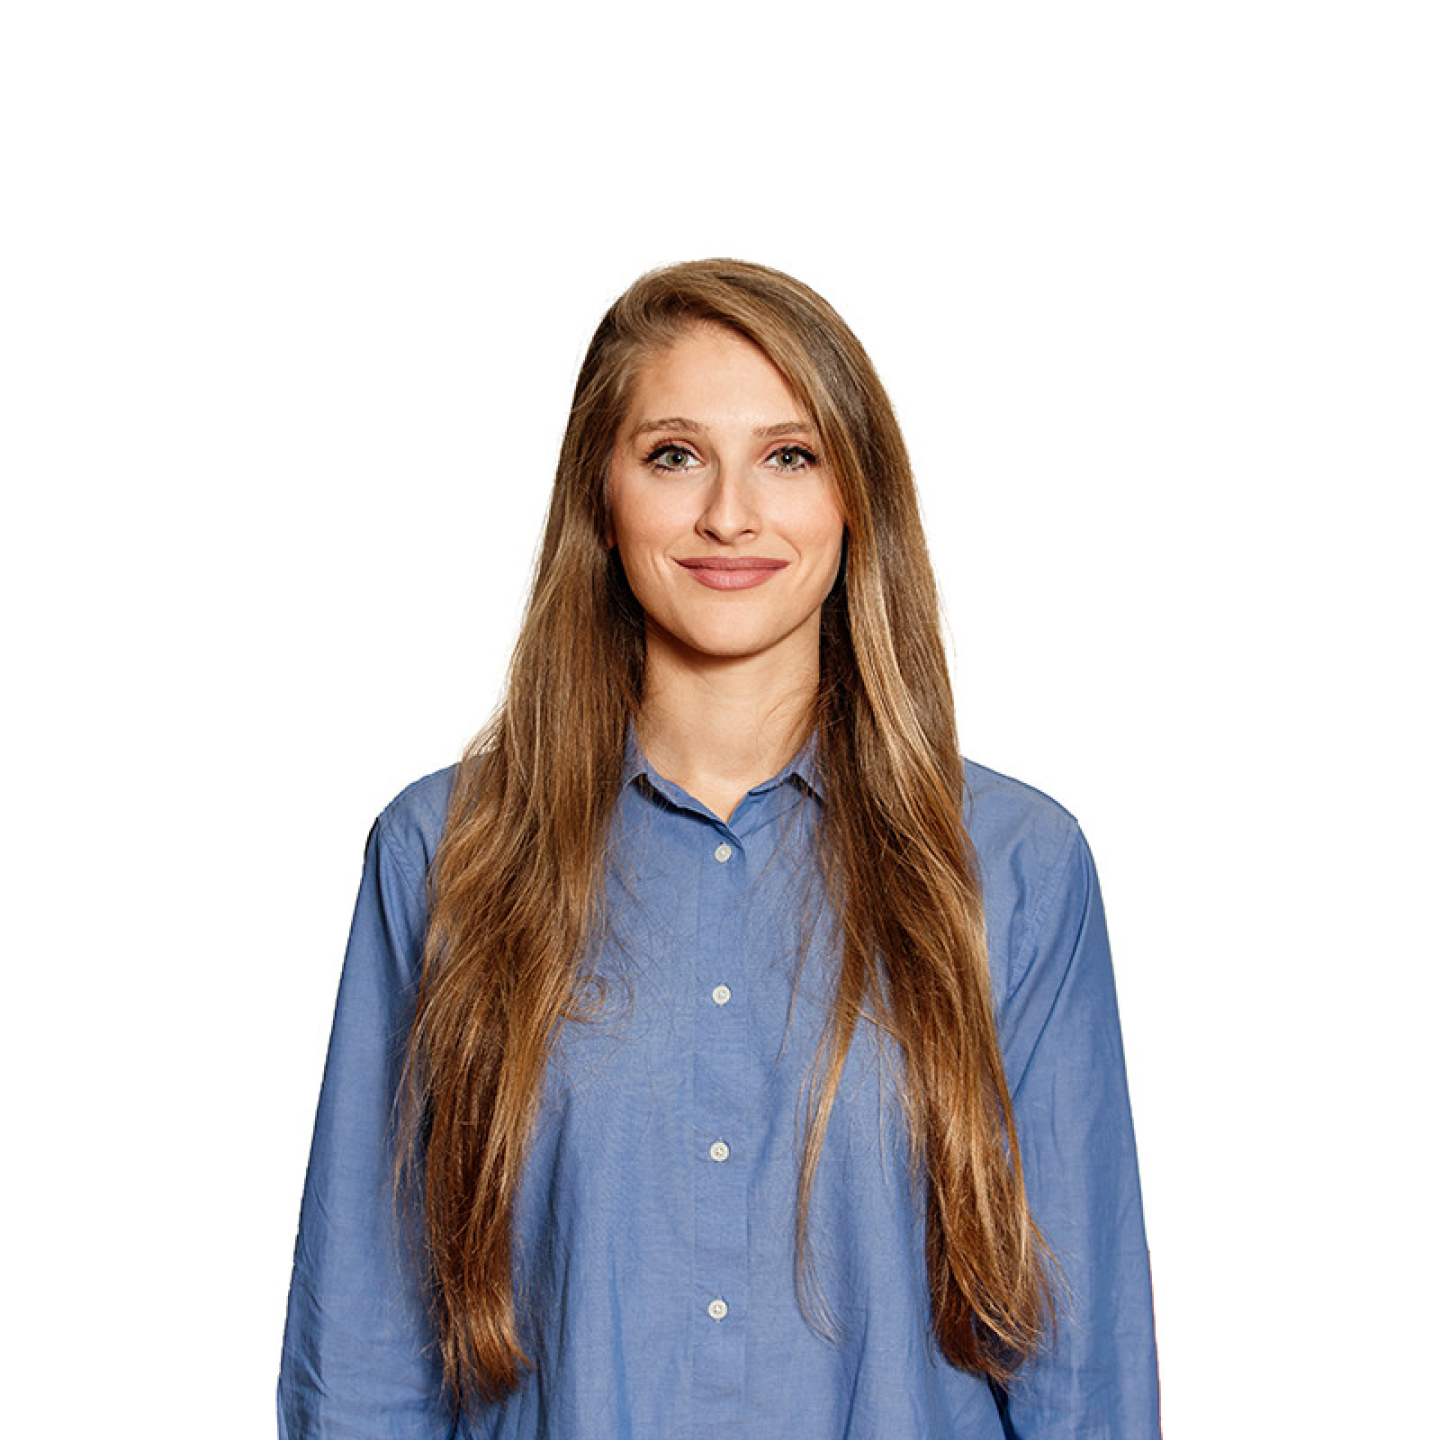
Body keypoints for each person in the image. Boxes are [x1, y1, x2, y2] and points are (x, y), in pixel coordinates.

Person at [278, 259, 1161, 1438]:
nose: (731, 515)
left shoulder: (1015, 867)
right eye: (674, 455)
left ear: (856, 498)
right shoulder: (445, 853)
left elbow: (1084, 1374)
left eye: (788, 456)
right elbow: (364, 1357)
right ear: (601, 496)